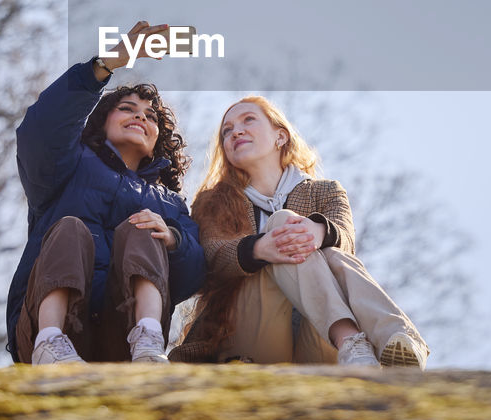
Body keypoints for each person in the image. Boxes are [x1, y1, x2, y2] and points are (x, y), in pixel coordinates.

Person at [170, 96, 428, 367]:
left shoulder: (326, 191)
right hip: (248, 333)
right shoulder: (215, 200)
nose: (236, 131)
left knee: (334, 254)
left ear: (280, 136)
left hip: (318, 342)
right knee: (284, 224)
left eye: (248, 120)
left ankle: (396, 344)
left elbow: (347, 244)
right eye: (227, 130)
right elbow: (213, 256)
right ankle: (356, 340)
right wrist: (259, 249)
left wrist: (319, 231)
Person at [6, 21, 206, 365]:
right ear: (103, 121)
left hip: (123, 341)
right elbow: (40, 131)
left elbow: (194, 276)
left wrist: (173, 239)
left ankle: (147, 341)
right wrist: (108, 64)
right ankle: (50, 343)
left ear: (159, 139)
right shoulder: (66, 166)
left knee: (144, 229)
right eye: (127, 108)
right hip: (47, 325)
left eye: (150, 116)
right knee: (70, 227)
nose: (140, 117)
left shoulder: (171, 205)